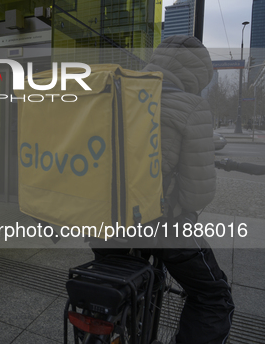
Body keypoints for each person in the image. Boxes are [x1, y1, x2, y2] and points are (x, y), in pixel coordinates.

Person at [93, 35, 234, 344]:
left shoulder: (116, 92)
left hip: (101, 219)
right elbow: (196, 195)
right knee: (214, 297)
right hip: (160, 225)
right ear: (198, 76)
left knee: (115, 286)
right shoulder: (192, 105)